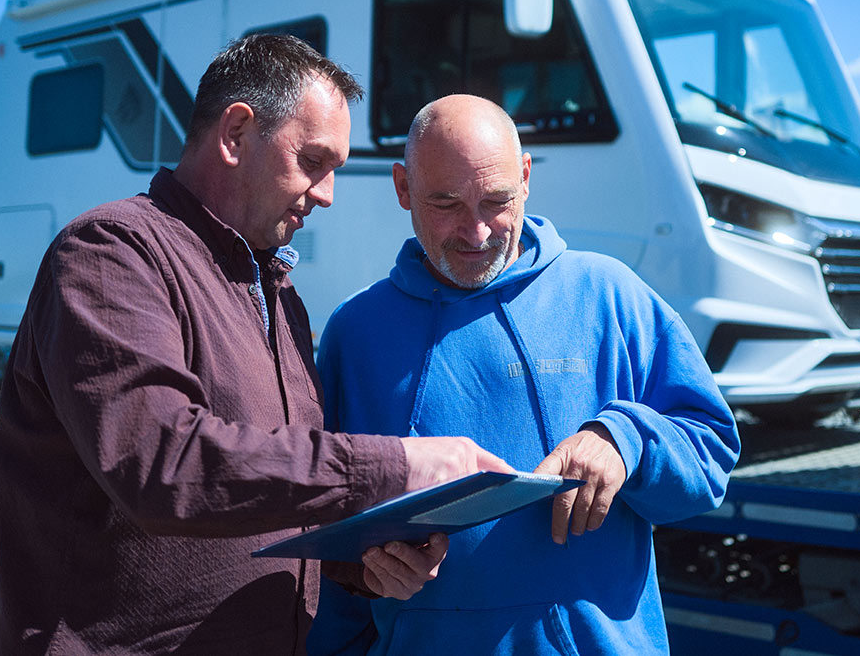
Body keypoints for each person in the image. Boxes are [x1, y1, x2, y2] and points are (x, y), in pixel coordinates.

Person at [0, 35, 509, 656]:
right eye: (314, 161)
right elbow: (164, 464)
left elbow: (267, 490)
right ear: (235, 134)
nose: (327, 193)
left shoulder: (278, 292)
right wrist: (402, 466)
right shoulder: (111, 253)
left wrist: (359, 560)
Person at [311, 94, 741, 655]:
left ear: (527, 177)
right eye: (445, 203)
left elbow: (710, 455)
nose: (478, 232)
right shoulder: (355, 333)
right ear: (402, 188)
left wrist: (625, 439)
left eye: (497, 200)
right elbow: (323, 527)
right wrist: (364, 570)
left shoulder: (608, 295)